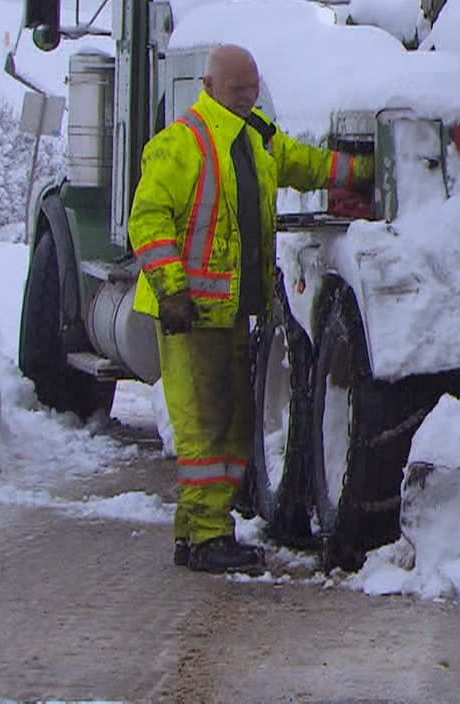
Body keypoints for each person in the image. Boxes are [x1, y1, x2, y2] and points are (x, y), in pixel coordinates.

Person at [127, 44, 372, 573]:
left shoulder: (255, 136)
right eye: (238, 88)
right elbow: (147, 221)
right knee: (204, 429)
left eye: (253, 86)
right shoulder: (181, 144)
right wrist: (171, 291)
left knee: (232, 426)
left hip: (229, 312)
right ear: (210, 87)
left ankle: (195, 534)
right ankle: (209, 536)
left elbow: (302, 164)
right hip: (188, 315)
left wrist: (358, 171)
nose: (248, 95)